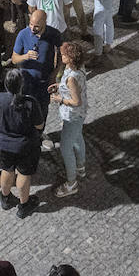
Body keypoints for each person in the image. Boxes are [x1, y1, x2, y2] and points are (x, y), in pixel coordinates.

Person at [0, 69, 44, 219]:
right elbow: (39, 126)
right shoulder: (30, 103)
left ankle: (6, 197)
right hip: (25, 146)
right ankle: (24, 205)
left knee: (6, 169)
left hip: (3, 144)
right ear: (22, 85)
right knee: (23, 174)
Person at [52, 41, 88, 197]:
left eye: (64, 55)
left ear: (71, 58)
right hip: (80, 114)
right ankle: (81, 167)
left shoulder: (72, 78)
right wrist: (59, 86)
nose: (62, 56)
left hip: (72, 116)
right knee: (78, 138)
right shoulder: (77, 68)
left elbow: (76, 101)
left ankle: (71, 183)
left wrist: (59, 99)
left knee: (66, 148)